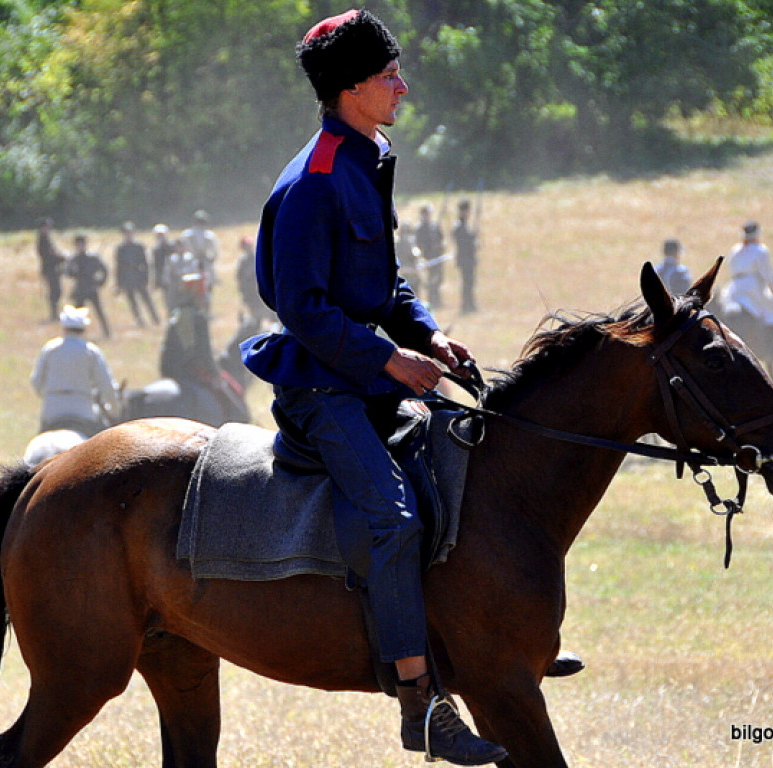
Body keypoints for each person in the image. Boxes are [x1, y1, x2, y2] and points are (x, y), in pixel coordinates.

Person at [239, 10, 506, 765]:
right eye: (390, 76)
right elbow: (302, 307)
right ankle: (420, 707)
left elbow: (382, 281)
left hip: (369, 373)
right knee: (392, 521)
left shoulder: (371, 153)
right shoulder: (313, 179)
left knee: (468, 465)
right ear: (350, 88)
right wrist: (390, 362)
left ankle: (491, 639)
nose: (404, 87)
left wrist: (427, 334)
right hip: (323, 389)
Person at [30, 305, 119, 436]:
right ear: (84, 329)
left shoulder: (50, 348)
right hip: (83, 410)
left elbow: (36, 382)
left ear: (64, 328)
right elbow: (106, 386)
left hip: (52, 410)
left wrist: (50, 395)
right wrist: (114, 411)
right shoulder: (91, 351)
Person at [719, 221, 773, 325]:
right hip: (753, 286)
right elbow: (768, 274)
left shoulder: (735, 250)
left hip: (734, 286)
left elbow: (730, 267)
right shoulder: (761, 251)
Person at [65, 234, 111, 339]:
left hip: (92, 288)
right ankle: (77, 335)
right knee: (77, 315)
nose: (80, 247)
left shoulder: (93, 257)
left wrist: (100, 282)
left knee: (99, 312)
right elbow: (67, 272)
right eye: (78, 245)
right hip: (79, 289)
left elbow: (104, 270)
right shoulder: (74, 259)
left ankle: (107, 333)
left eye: (82, 244)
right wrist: (73, 271)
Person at [114, 222, 159, 327]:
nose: (128, 235)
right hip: (127, 277)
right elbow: (118, 267)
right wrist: (119, 283)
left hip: (139, 276)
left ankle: (155, 319)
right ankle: (139, 321)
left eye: (130, 233)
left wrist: (146, 278)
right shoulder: (120, 248)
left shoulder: (139, 246)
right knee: (132, 302)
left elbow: (146, 264)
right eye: (126, 233)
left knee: (146, 299)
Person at [414, 203, 444, 309]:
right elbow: (418, 244)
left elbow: (441, 238)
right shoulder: (419, 228)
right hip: (426, 258)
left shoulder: (434, 226)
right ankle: (431, 301)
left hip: (436, 257)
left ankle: (437, 300)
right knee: (429, 281)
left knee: (437, 279)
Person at [36, 217, 65, 323]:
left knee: (56, 291)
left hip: (53, 269)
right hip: (49, 269)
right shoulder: (42, 241)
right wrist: (62, 258)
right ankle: (54, 315)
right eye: (46, 227)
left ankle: (55, 314)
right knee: (55, 292)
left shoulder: (47, 239)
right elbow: (48, 256)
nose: (48, 229)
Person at [182, 209, 220, 287]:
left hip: (197, 261)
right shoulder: (209, 235)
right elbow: (215, 252)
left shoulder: (187, 234)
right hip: (194, 261)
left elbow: (215, 252)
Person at [452, 199, 478, 314]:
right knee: (467, 282)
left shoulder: (464, 225)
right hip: (465, 259)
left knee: (470, 282)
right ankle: (466, 305)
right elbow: (463, 242)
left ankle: (470, 303)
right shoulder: (459, 226)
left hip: (469, 258)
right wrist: (473, 237)